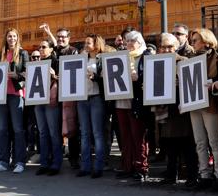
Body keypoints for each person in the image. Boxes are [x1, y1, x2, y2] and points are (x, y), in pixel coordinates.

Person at [154, 33, 198, 187]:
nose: (166, 49)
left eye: (170, 46)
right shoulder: (155, 63)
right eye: (163, 47)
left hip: (182, 109)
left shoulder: (184, 61)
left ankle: (192, 176)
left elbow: (191, 85)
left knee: (187, 145)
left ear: (176, 47)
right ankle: (171, 175)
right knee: (169, 145)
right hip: (165, 109)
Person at [189, 28, 218, 191]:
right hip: (194, 105)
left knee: (215, 141)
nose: (192, 43)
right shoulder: (190, 59)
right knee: (200, 142)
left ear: (206, 41)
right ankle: (204, 175)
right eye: (192, 40)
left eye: (195, 40)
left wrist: (213, 85)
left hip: (210, 105)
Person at [41, 23, 81, 169]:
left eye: (63, 37)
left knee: (71, 127)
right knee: (56, 129)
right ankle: (55, 158)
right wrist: (48, 32)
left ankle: (74, 158)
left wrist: (56, 76)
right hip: (55, 95)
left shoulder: (74, 51)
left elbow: (73, 75)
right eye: (58, 37)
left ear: (69, 38)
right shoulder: (55, 51)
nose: (60, 39)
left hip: (69, 95)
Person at [0, 28, 28, 174]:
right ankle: (3, 161)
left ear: (17, 38)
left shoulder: (23, 53)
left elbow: (28, 72)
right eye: (9, 36)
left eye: (14, 36)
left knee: (18, 129)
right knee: (3, 130)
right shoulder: (2, 54)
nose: (11, 39)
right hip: (1, 95)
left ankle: (19, 161)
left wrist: (16, 75)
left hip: (16, 94)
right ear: (5, 39)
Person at [115, 31, 151, 181]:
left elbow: (151, 77)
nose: (129, 43)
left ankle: (141, 167)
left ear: (140, 42)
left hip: (136, 101)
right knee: (125, 137)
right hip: (121, 101)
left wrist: (139, 77)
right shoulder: (120, 57)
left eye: (133, 41)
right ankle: (128, 166)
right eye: (127, 41)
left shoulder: (145, 56)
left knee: (138, 136)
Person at [76, 34, 107, 178]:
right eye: (85, 43)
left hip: (96, 98)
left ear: (96, 44)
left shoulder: (102, 59)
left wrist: (94, 77)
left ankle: (99, 166)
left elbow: (107, 80)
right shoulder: (82, 58)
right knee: (84, 133)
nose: (85, 45)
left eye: (88, 43)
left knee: (97, 133)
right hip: (82, 98)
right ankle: (85, 166)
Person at [34, 40, 62, 176]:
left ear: (51, 49)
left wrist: (54, 75)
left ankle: (56, 163)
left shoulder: (56, 62)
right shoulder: (36, 62)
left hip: (51, 100)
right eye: (39, 47)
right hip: (38, 101)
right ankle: (44, 163)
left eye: (44, 47)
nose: (40, 49)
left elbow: (65, 79)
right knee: (43, 133)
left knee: (53, 133)